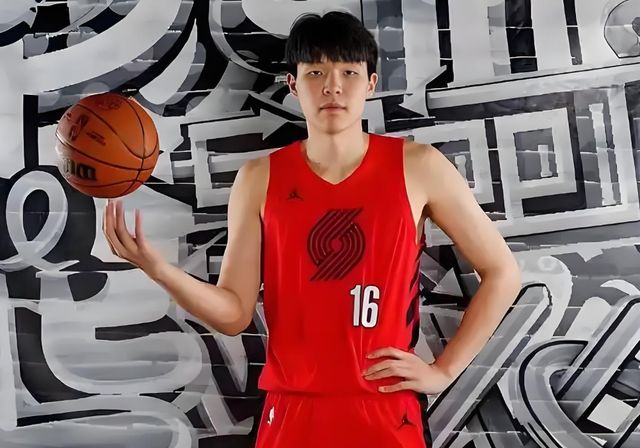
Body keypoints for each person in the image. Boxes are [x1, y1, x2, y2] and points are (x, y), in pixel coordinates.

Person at [102, 10, 521, 448]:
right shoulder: (259, 178)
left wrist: (444, 371)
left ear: (371, 83)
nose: (332, 86)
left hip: (385, 410)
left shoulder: (419, 167)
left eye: (348, 72)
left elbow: (503, 273)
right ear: (293, 84)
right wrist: (158, 269)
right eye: (316, 72)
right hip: (292, 411)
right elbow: (234, 314)